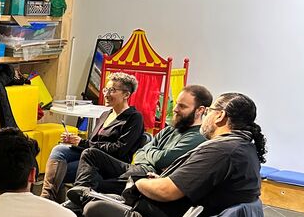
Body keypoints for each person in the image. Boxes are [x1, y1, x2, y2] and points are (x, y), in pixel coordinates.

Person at [77, 92, 266, 217]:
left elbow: (167, 192)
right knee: (104, 214)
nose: (206, 116)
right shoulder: (242, 148)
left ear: (220, 116)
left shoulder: (223, 151)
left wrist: (141, 182)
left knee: (95, 208)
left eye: (209, 111)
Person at [65, 85, 213, 206]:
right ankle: (81, 195)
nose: (175, 109)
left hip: (147, 178)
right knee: (90, 154)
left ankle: (78, 203)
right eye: (176, 104)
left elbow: (163, 160)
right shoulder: (170, 129)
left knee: (96, 182)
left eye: (182, 106)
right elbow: (142, 151)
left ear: (200, 110)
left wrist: (150, 152)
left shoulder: (197, 137)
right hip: (135, 167)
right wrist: (151, 153)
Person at [40, 72, 145, 202]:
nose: (106, 94)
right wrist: (75, 141)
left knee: (59, 172)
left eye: (112, 90)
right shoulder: (106, 114)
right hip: (90, 155)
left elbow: (120, 149)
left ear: (126, 95)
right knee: (59, 150)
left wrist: (83, 143)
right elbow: (92, 142)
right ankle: (47, 198)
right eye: (106, 89)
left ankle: (52, 202)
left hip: (110, 163)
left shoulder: (134, 118)